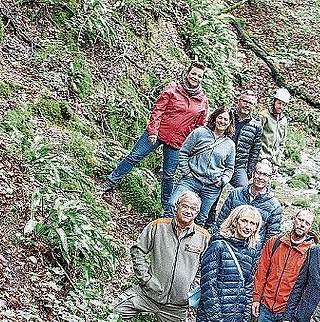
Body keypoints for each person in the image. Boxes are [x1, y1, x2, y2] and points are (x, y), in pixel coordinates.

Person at [111, 191, 209, 322]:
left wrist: (192, 291)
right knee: (113, 316)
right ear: (176, 206)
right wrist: (146, 279)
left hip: (176, 306)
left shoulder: (203, 237)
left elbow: (207, 268)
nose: (188, 211)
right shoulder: (158, 226)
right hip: (147, 294)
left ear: (198, 212)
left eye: (193, 208)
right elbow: (138, 250)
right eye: (185, 206)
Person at [97, 63, 209, 211]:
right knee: (134, 157)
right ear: (187, 73)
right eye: (193, 73)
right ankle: (110, 181)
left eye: (199, 76)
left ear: (202, 79)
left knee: (169, 175)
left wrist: (190, 146)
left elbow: (198, 127)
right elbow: (158, 110)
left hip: (178, 142)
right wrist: (153, 131)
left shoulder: (203, 101)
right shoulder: (173, 89)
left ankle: (166, 208)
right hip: (158, 133)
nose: (195, 77)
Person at [196, 205, 261, 322]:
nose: (247, 226)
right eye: (244, 221)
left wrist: (243, 321)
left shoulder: (252, 252)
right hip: (213, 316)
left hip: (233, 317)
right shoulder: (218, 245)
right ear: (235, 221)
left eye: (252, 223)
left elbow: (248, 287)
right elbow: (208, 285)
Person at [165, 107, 235, 227]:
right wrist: (187, 171)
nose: (222, 121)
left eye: (226, 119)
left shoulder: (230, 145)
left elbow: (229, 168)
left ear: (229, 123)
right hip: (191, 180)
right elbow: (184, 152)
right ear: (214, 118)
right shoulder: (200, 133)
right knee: (172, 205)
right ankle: (163, 235)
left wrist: (222, 181)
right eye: (220, 118)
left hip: (211, 186)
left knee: (200, 218)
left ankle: (190, 244)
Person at [205, 90, 263, 227]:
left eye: (250, 103)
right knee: (213, 193)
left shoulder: (256, 126)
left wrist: (248, 172)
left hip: (239, 167)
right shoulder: (227, 117)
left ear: (254, 106)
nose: (247, 105)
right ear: (238, 101)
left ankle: (236, 224)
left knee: (245, 192)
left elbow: (255, 152)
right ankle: (209, 223)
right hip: (220, 163)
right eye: (245, 101)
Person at [214, 159, 282, 249]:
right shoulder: (236, 194)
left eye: (265, 175)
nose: (260, 177)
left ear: (270, 178)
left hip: (252, 251)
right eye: (258, 173)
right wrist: (216, 241)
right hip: (228, 244)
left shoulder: (274, 206)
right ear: (253, 173)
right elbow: (221, 220)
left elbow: (271, 238)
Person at [259, 87, 290, 168]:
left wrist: (277, 163)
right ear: (274, 102)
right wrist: (261, 157)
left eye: (284, 105)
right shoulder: (264, 116)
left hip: (273, 161)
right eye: (279, 103)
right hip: (261, 158)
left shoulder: (284, 120)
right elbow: (256, 138)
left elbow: (282, 143)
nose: (281, 107)